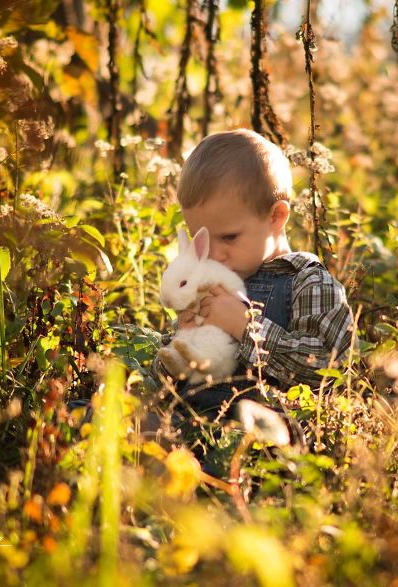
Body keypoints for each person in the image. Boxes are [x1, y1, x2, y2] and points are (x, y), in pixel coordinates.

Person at [149, 128, 354, 425]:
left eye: (229, 237)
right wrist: (181, 337)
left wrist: (245, 327)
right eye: (202, 239)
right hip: (192, 419)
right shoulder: (207, 284)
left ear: (276, 217)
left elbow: (327, 368)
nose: (214, 254)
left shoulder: (306, 282)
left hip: (262, 432)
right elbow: (164, 372)